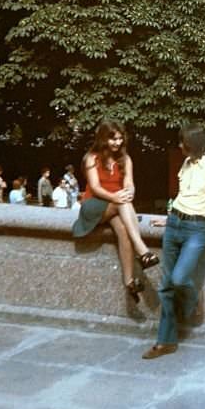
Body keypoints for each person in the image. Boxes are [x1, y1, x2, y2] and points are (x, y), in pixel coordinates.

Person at [143, 125, 205, 360]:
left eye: (184, 144)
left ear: (196, 144)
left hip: (198, 228)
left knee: (179, 279)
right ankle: (166, 341)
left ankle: (193, 296)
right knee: (166, 286)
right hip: (175, 223)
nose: (180, 147)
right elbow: (184, 195)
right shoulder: (187, 162)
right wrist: (168, 219)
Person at [72, 121, 160, 303]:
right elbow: (95, 188)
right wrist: (117, 197)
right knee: (123, 203)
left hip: (116, 204)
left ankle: (129, 282)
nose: (117, 143)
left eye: (120, 139)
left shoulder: (125, 159)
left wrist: (130, 192)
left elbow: (129, 183)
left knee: (123, 231)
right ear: (103, 139)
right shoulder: (91, 158)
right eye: (113, 139)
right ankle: (142, 250)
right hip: (95, 205)